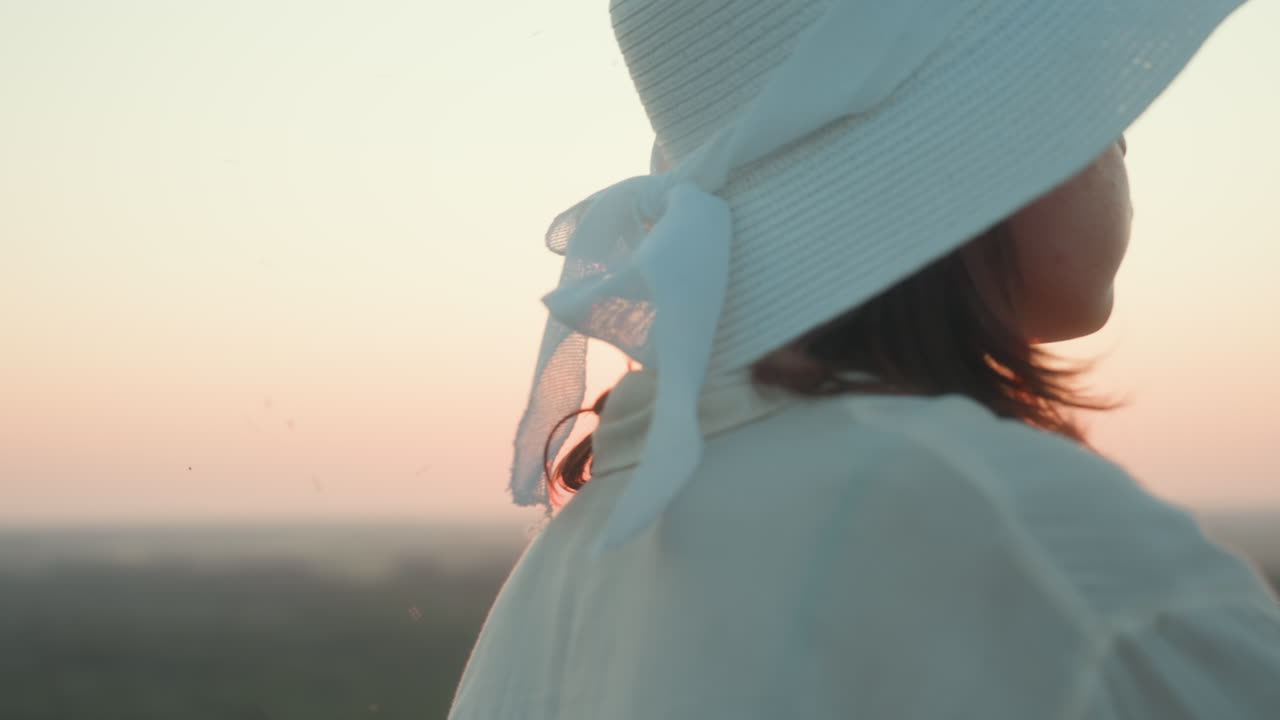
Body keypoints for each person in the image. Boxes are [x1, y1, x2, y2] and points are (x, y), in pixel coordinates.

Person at [449, 1, 1280, 717]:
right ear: (985, 143)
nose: (1121, 139)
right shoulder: (1034, 554)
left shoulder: (578, 553)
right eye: (1092, 97)